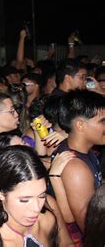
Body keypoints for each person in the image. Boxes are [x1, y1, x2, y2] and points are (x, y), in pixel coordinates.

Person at [0, 146, 73, 247]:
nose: (36, 208)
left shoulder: (48, 207)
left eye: (41, 195)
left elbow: (67, 244)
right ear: (1, 193)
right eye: (25, 200)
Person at [51, 90, 105, 241]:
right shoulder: (75, 168)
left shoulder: (84, 151)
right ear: (80, 125)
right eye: (103, 121)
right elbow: (90, 228)